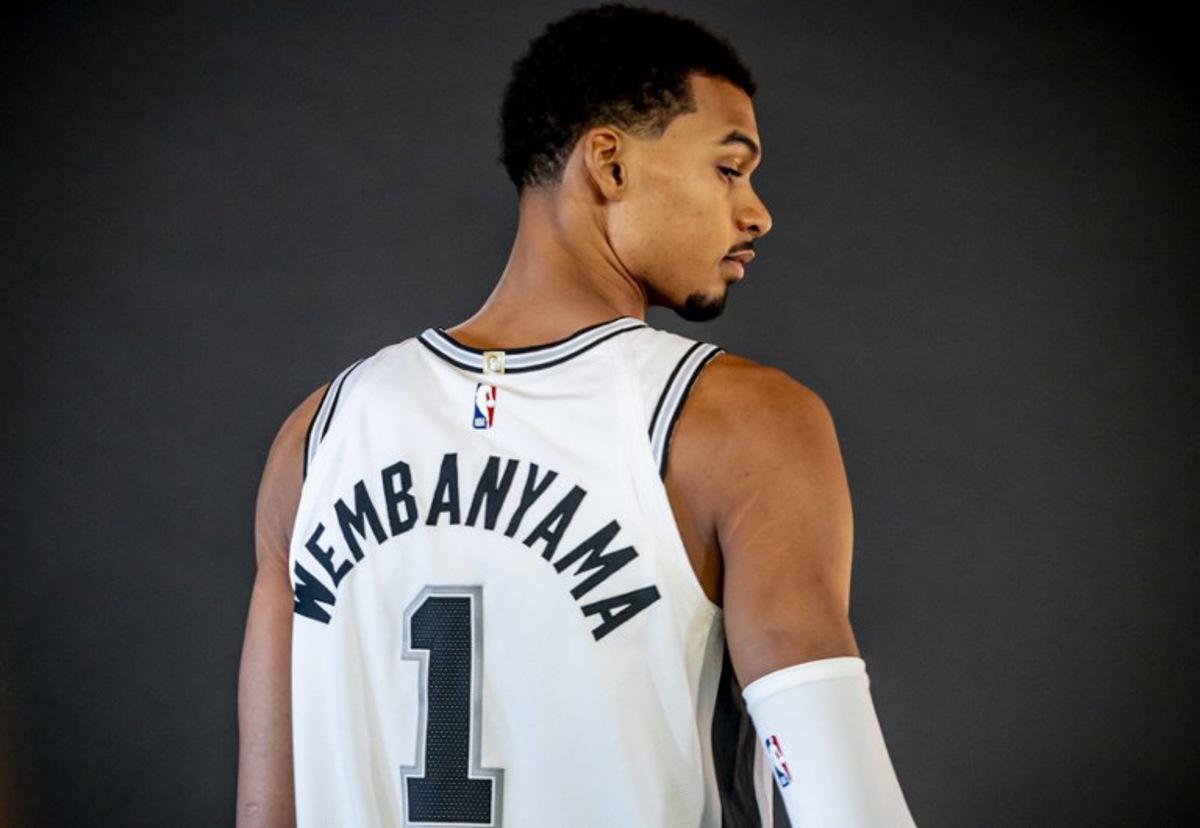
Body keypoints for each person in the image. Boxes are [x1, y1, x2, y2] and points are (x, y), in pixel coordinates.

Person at [237, 3, 916, 826]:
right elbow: (847, 805)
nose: (756, 212)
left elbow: (266, 813)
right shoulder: (740, 423)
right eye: (730, 169)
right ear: (609, 163)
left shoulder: (316, 435)